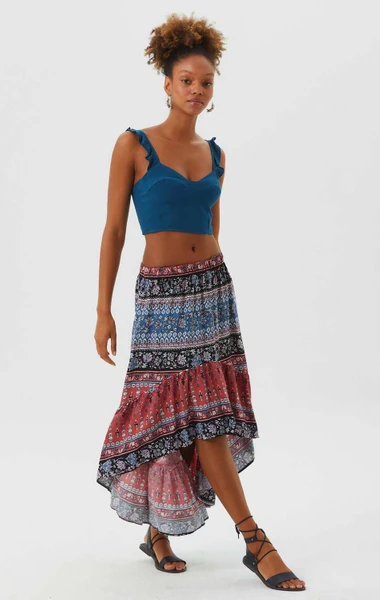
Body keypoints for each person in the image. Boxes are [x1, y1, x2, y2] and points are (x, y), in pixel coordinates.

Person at [95, 12, 306, 592]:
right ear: (166, 83)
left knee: (203, 413)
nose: (196, 89)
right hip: (161, 298)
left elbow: (213, 227)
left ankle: (161, 533)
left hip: (211, 292)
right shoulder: (133, 145)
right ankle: (255, 540)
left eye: (205, 82)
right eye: (186, 80)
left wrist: (209, 285)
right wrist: (102, 309)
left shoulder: (217, 154)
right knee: (173, 412)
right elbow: (114, 231)